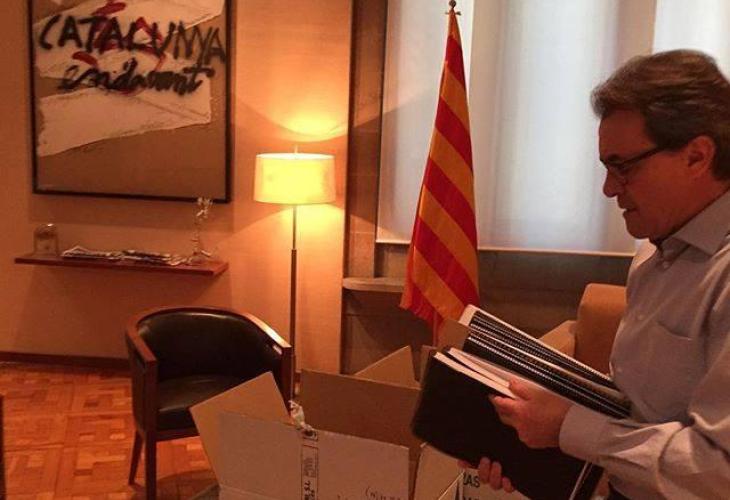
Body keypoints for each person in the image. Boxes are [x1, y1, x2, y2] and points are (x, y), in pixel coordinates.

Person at [466, 49, 730, 499]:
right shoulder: (652, 255)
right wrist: (528, 440)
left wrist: (569, 428)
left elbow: (718, 469)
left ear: (696, 156)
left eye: (623, 167)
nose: (609, 189)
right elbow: (639, 412)